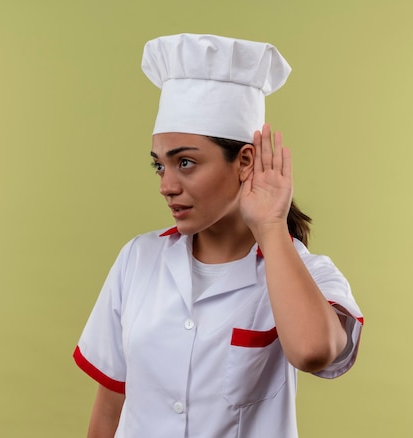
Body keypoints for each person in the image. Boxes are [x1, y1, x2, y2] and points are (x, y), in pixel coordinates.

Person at [73, 33, 364, 438]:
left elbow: (314, 351)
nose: (166, 185)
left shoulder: (305, 272)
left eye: (186, 163)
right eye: (160, 166)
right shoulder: (138, 259)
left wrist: (270, 226)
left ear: (245, 160)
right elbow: (109, 408)